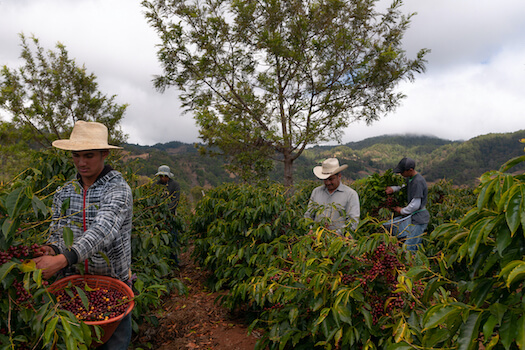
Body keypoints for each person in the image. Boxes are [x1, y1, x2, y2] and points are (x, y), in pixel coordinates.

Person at [32, 120, 133, 350]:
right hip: (73, 286)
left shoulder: (117, 189)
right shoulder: (65, 192)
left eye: (89, 156)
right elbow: (58, 232)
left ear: (104, 153)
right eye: (76, 156)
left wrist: (62, 258)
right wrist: (52, 249)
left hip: (112, 285)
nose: (81, 162)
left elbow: (103, 230)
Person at [304, 158, 360, 235]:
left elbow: (353, 221)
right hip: (316, 240)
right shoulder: (316, 192)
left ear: (339, 176)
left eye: (331, 179)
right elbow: (309, 215)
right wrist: (311, 229)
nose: (327, 182)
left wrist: (335, 235)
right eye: (325, 179)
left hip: (339, 242)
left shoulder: (350, 194)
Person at [385, 157, 430, 251]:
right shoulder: (411, 179)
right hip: (415, 218)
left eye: (402, 172)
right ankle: (415, 263)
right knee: (415, 245)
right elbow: (403, 187)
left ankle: (410, 264)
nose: (401, 174)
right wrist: (393, 189)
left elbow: (415, 204)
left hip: (419, 219)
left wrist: (401, 210)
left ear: (410, 170)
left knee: (409, 247)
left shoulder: (418, 182)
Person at [155, 165, 181, 263]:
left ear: (168, 176)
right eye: (160, 176)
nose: (162, 178)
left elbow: (175, 201)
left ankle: (174, 262)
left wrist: (166, 211)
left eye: (164, 176)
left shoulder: (175, 185)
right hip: (158, 218)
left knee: (172, 239)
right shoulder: (156, 185)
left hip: (171, 216)